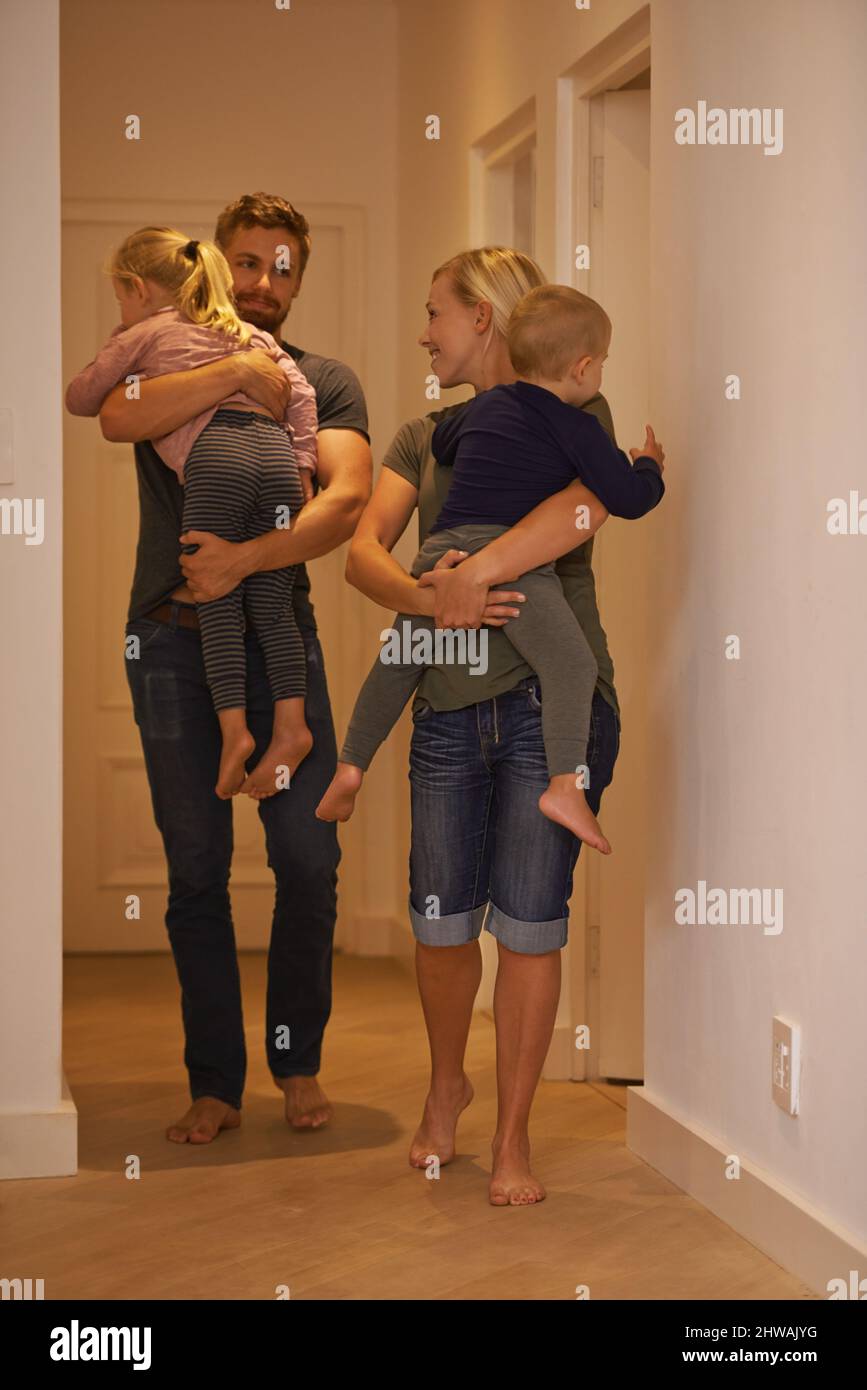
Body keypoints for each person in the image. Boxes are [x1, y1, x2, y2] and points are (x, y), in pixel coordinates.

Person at [343, 246, 662, 1205]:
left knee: (529, 923)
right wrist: (429, 593)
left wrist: (475, 572)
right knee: (441, 923)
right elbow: (363, 555)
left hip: (548, 704)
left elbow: (580, 512)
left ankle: (513, 1139)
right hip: (444, 701)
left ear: (482, 317)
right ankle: (447, 1088)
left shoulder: (577, 408)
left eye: (434, 311)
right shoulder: (420, 436)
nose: (423, 331)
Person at [99, 193, 372, 1143]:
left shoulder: (326, 380)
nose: (263, 282)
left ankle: (295, 1063)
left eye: (282, 266)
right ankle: (215, 1081)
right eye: (246, 262)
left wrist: (241, 561)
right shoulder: (165, 348)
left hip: (278, 645)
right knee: (196, 872)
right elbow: (115, 416)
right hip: (169, 642)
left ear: (301, 276)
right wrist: (229, 373)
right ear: (215, 266)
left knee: (308, 858)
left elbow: (340, 506)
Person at [318, 285, 664, 852]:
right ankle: (562, 787)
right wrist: (649, 467)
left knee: (400, 660)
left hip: (440, 553)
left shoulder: (475, 412)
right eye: (602, 364)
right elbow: (625, 498)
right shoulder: (576, 425)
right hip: (508, 562)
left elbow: (446, 443)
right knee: (570, 667)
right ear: (581, 367)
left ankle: (350, 768)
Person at [67, 225, 319, 800]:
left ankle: (234, 734)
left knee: (216, 591)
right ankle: (291, 725)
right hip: (276, 459)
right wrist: (302, 465)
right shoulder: (246, 333)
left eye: (119, 299)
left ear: (136, 288)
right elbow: (299, 392)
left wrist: (120, 344)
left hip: (217, 459)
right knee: (273, 600)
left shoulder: (147, 332)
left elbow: (84, 399)